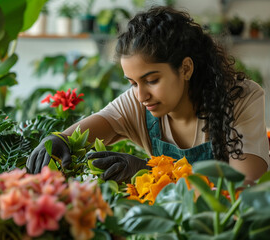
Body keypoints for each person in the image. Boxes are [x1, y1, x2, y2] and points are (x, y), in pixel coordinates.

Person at [27, 6, 269, 185]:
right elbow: (84, 133)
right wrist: (60, 140)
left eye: (152, 80)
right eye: (132, 83)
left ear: (186, 68)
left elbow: (245, 184)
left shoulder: (240, 98)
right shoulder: (138, 101)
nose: (141, 95)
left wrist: (151, 172)